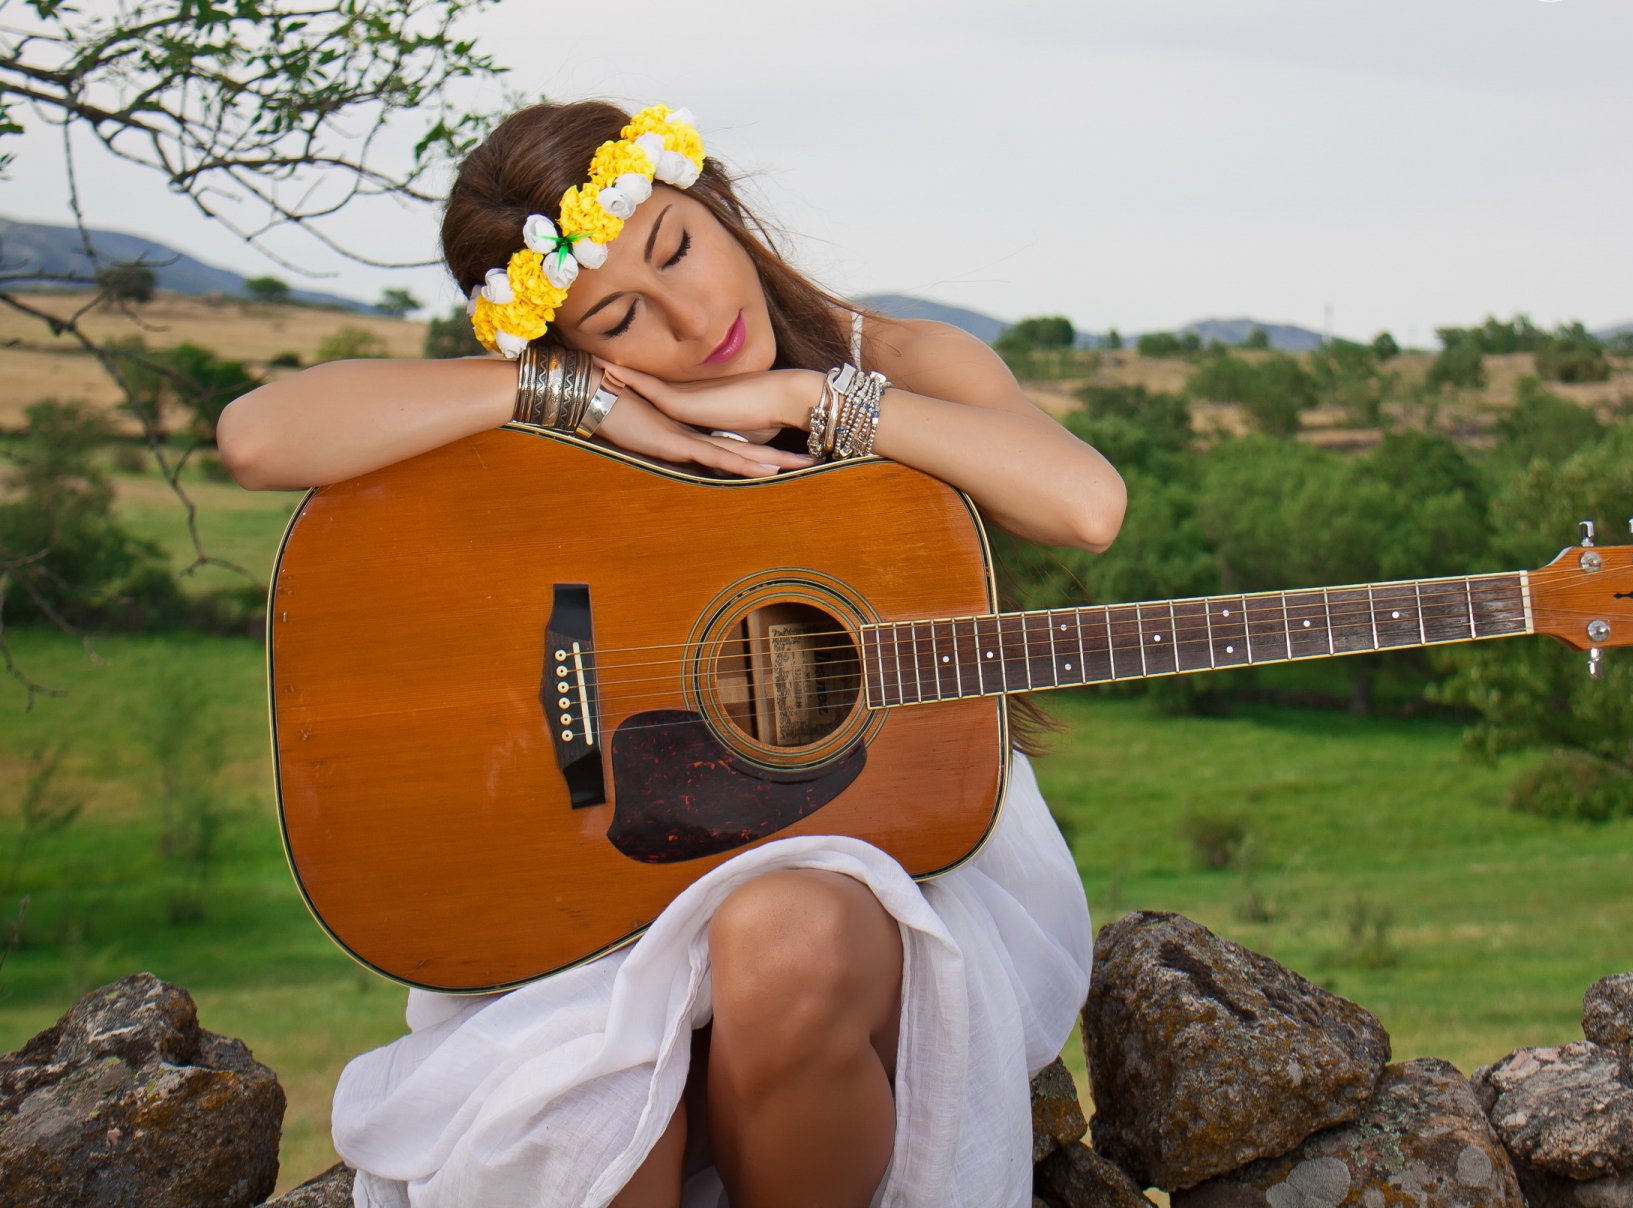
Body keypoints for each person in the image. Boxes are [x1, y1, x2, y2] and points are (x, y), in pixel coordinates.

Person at [217, 101, 1126, 1208]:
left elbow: (1085, 505)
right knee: (602, 1123)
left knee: (781, 928)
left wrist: (809, 395)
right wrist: (570, 399)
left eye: (679, 248)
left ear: (713, 202)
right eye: (620, 315)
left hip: (898, 859)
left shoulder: (897, 358)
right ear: (572, 340)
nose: (693, 322)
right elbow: (255, 437)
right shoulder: (566, 417)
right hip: (606, 891)